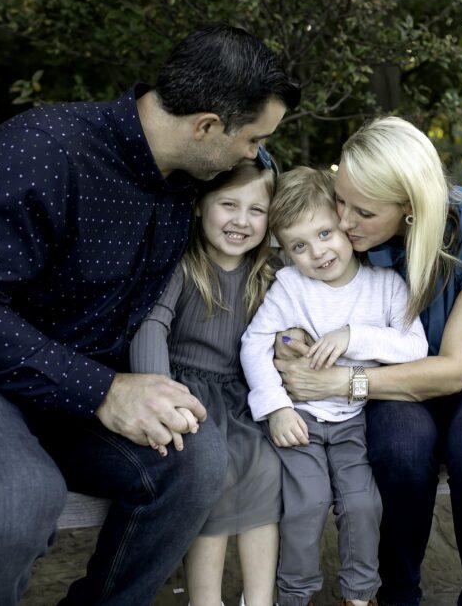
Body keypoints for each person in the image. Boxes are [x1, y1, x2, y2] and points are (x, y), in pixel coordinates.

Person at [0, 24, 300, 605]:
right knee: (17, 502)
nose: (256, 154)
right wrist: (103, 389)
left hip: (69, 397)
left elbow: (277, 202)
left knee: (195, 461)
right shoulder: (44, 149)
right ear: (206, 126)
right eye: (252, 139)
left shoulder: (193, 175)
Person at [273, 117, 462, 606]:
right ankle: (397, 596)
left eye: (364, 212)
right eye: (341, 200)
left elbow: (456, 369)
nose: (345, 222)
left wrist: (340, 383)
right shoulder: (354, 242)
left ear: (411, 208)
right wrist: (290, 342)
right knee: (399, 448)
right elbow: (302, 305)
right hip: (393, 379)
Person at [240, 167, 428, 606]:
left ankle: (359, 595)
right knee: (306, 503)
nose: (318, 253)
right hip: (299, 420)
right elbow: (255, 342)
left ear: (343, 225)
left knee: (363, 505)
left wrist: (352, 335)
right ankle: (296, 594)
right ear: (285, 252)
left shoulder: (384, 286)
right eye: (299, 246)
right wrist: (276, 408)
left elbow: (415, 346)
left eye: (325, 233)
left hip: (354, 422)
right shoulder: (290, 285)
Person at [129, 154, 283, 606]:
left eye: (257, 210)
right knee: (212, 472)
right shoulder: (181, 263)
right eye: (228, 205)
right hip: (186, 392)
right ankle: (205, 599)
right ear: (199, 204)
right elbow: (152, 325)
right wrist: (161, 397)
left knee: (269, 465)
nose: (242, 221)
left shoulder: (267, 273)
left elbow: (293, 326)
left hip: (241, 395)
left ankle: (259, 598)